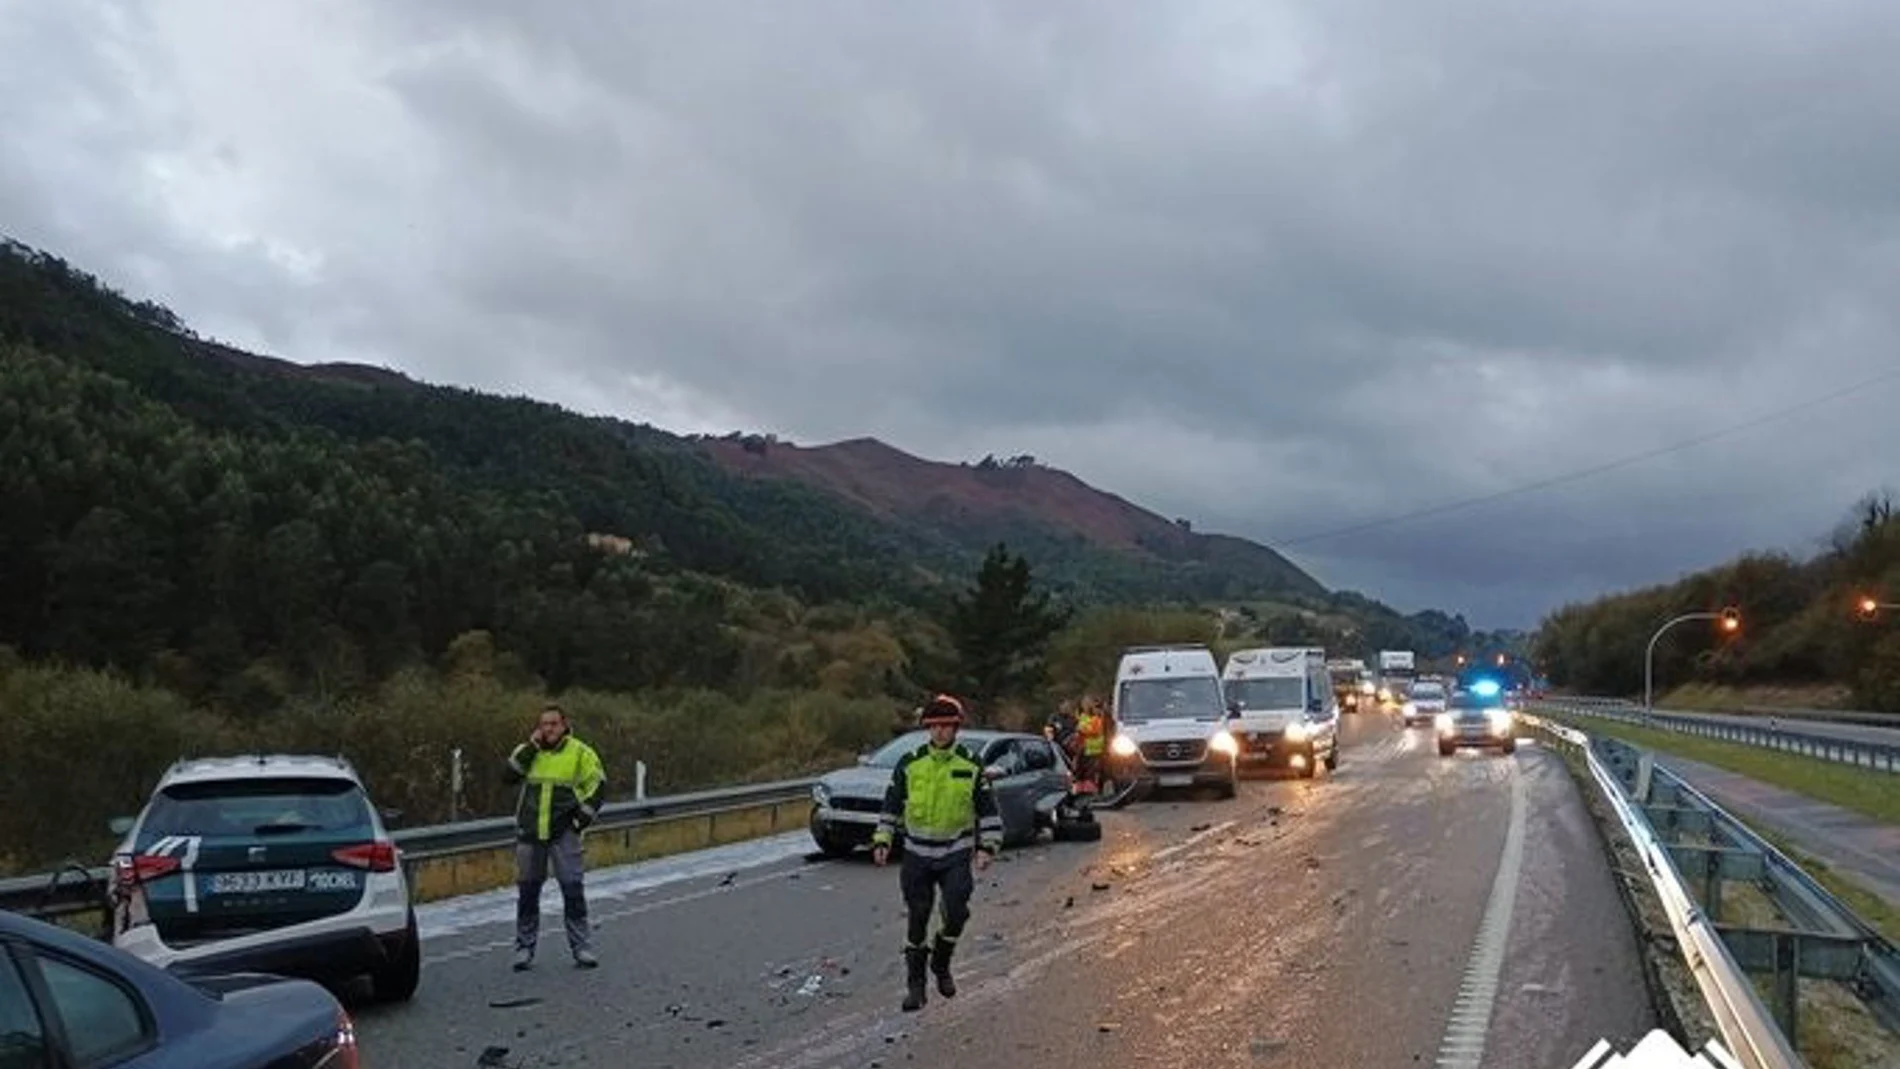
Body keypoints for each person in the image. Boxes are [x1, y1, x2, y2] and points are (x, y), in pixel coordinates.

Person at [871, 694, 1003, 1012]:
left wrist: (987, 847)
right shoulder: (910, 763)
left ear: (956, 728)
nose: (941, 732)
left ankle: (941, 962)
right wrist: (882, 839)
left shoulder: (970, 765)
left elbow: (988, 812)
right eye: (935, 727)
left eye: (947, 726)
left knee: (956, 911)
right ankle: (916, 987)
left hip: (955, 853)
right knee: (917, 919)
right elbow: (891, 805)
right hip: (916, 854)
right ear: (927, 730)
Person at [503, 702, 607, 971]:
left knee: (572, 889)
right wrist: (531, 749)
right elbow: (508, 776)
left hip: (563, 833)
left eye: (553, 724)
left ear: (564, 725)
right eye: (543, 724)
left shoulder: (580, 753)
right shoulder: (527, 751)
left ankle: (581, 946)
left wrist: (579, 821)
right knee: (528, 891)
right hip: (530, 833)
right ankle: (524, 948)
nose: (548, 729)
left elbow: (597, 786)